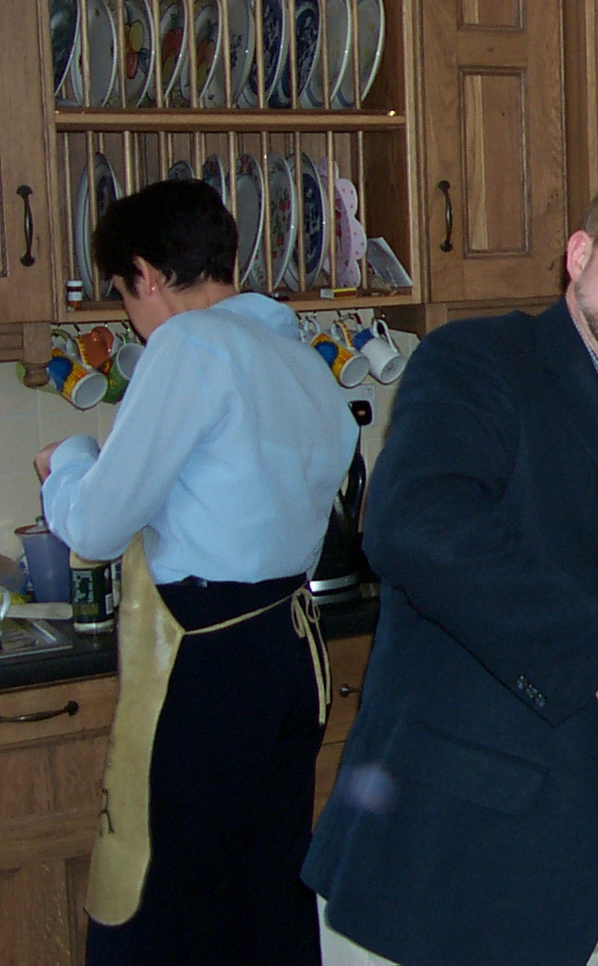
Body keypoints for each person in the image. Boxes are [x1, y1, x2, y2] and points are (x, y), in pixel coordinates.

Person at [303, 173, 598, 966]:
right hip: (441, 878)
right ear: (579, 255)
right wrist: (596, 648)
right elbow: (416, 525)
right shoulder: (477, 362)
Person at [35, 179, 356, 965]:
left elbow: (97, 526)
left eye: (124, 294)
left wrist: (68, 463)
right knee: (264, 892)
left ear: (147, 274)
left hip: (205, 658)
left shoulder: (190, 345)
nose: (130, 318)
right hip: (291, 652)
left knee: (162, 890)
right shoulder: (299, 356)